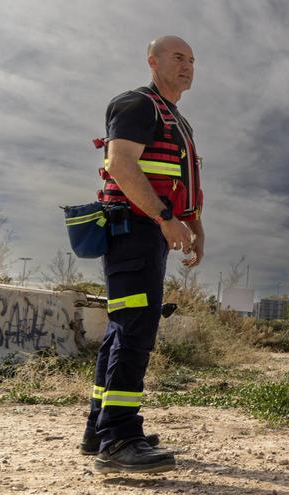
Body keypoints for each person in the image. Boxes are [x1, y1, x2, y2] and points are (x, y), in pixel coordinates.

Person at [79, 35, 205, 474]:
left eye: (191, 59)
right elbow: (120, 164)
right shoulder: (138, 104)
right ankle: (119, 438)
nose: (187, 65)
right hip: (133, 230)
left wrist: (195, 224)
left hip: (150, 232)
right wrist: (165, 217)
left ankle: (100, 429)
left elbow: (179, 177)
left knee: (122, 329)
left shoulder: (178, 119)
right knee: (135, 329)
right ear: (152, 61)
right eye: (177, 57)